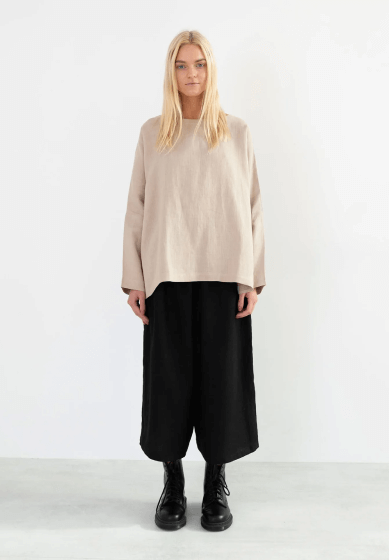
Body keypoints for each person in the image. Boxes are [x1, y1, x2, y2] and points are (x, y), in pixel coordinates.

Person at [121, 30, 266, 532]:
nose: (191, 74)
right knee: (169, 384)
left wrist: (251, 278)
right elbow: (137, 208)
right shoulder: (152, 134)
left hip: (225, 275)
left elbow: (252, 207)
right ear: (171, 71)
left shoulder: (236, 132)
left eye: (199, 64)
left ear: (211, 68)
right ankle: (172, 481)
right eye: (182, 65)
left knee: (221, 383)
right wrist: (135, 279)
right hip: (166, 275)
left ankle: (216, 481)